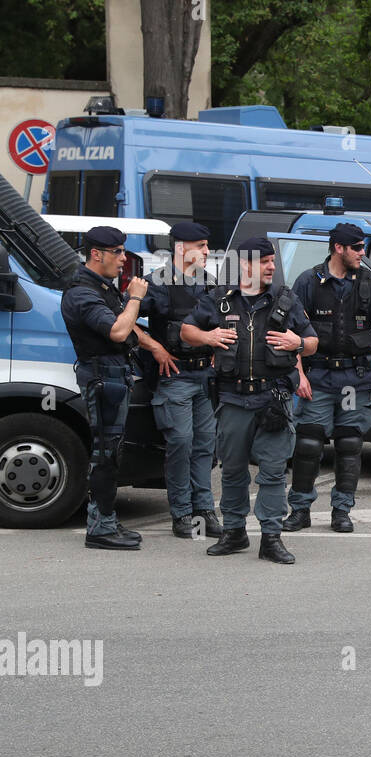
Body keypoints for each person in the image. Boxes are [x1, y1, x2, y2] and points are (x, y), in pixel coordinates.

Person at [181, 236, 318, 564]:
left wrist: (298, 341)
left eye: (273, 261)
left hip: (273, 400)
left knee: (272, 470)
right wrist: (208, 336)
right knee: (232, 470)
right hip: (232, 400)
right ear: (245, 265)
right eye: (265, 261)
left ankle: (271, 537)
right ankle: (234, 532)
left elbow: (312, 342)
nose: (272, 266)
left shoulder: (286, 300)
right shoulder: (220, 299)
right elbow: (186, 331)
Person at [282, 223, 371, 534]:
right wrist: (298, 373)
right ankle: (300, 509)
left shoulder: (368, 283)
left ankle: (342, 510)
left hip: (354, 378)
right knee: (307, 443)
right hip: (318, 376)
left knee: (349, 443)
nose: (363, 253)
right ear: (338, 248)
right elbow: (290, 331)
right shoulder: (308, 281)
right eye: (357, 248)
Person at [60, 226, 172, 550]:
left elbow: (131, 326)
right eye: (118, 252)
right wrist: (135, 296)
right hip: (102, 377)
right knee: (105, 454)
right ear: (97, 254)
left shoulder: (101, 287)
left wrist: (154, 346)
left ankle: (105, 519)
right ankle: (99, 528)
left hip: (114, 375)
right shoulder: (82, 293)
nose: (124, 259)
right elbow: (119, 331)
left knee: (112, 453)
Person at [141, 221, 222, 540]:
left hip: (205, 375)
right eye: (200, 246)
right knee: (180, 443)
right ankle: (181, 513)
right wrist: (155, 347)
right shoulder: (156, 283)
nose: (206, 251)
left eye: (206, 246)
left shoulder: (209, 283)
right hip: (175, 376)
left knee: (205, 446)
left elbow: (222, 321)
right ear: (180, 248)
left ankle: (204, 511)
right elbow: (124, 320)